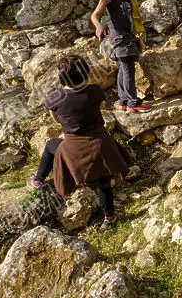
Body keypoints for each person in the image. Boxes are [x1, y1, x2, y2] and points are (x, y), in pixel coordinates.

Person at [27, 55, 130, 229]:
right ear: (85, 72)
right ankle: (109, 217)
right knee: (103, 183)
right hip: (101, 145)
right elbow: (101, 107)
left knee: (51, 145)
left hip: (73, 148)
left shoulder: (55, 98)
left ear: (62, 76)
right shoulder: (95, 90)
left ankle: (38, 180)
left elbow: (56, 119)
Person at [90, 0, 152, 112]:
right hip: (119, 37)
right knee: (128, 68)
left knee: (123, 69)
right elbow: (94, 15)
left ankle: (123, 101)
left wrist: (137, 33)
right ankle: (133, 103)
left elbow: (130, 17)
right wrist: (99, 26)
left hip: (128, 36)